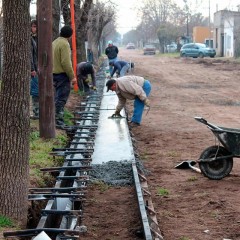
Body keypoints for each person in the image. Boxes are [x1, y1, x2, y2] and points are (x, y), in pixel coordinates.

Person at [52, 26, 77, 127]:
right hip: (62, 75)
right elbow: (66, 62)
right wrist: (72, 76)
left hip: (53, 74)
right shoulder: (65, 44)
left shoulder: (54, 42)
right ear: (70, 35)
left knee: (55, 97)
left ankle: (53, 118)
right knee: (61, 99)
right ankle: (59, 120)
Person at [30, 19, 39, 119]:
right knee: (35, 91)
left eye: (36, 26)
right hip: (34, 68)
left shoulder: (37, 38)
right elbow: (30, 55)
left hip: (39, 67)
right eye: (33, 26)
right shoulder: (30, 39)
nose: (34, 28)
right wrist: (32, 69)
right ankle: (36, 112)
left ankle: (38, 111)